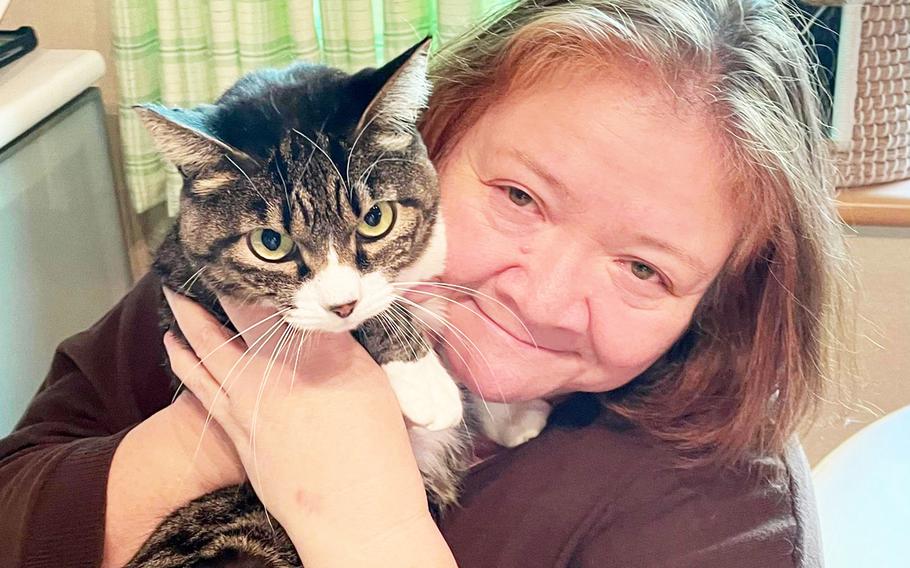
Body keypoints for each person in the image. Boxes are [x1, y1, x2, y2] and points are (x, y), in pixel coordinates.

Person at [0, 0, 850, 566]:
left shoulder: (732, 516)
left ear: (721, 301)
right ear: (429, 140)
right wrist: (210, 441)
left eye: (644, 268)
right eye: (520, 197)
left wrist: (367, 525)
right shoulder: (248, 279)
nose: (544, 299)